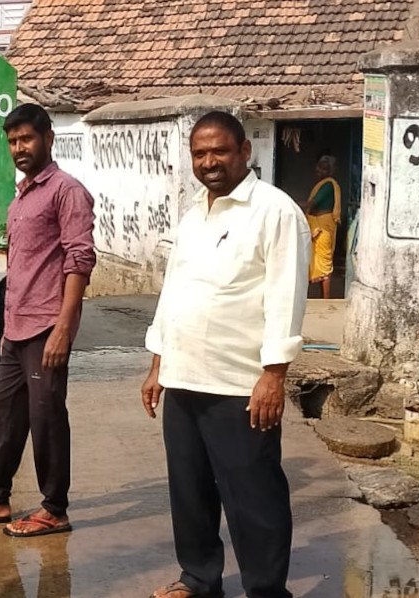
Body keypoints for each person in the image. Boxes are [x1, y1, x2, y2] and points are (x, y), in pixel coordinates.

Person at [141, 111, 309, 598]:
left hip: (239, 385)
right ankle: (198, 579)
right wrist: (158, 364)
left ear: (244, 152)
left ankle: (266, 590)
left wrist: (273, 376)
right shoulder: (195, 214)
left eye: (219, 151)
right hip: (183, 378)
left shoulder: (274, 212)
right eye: (199, 153)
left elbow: (285, 298)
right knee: (189, 493)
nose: (209, 162)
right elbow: (173, 292)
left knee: (253, 497)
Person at [0, 103, 96, 538]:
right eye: (12, 141)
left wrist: (64, 328)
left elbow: (79, 260)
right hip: (17, 328)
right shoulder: (22, 196)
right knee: (6, 415)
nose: (19, 148)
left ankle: (54, 509)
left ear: (48, 138)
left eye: (26, 139)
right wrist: (6, 327)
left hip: (47, 326)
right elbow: (20, 266)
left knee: (46, 417)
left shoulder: (67, 191)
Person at [304, 155, 341, 299]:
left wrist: (290, 203)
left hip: (323, 227)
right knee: (313, 261)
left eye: (324, 168)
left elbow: (311, 204)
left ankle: (326, 301)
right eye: (319, 167)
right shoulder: (321, 185)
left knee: (324, 265)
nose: (320, 170)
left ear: (330, 171)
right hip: (316, 226)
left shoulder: (328, 185)